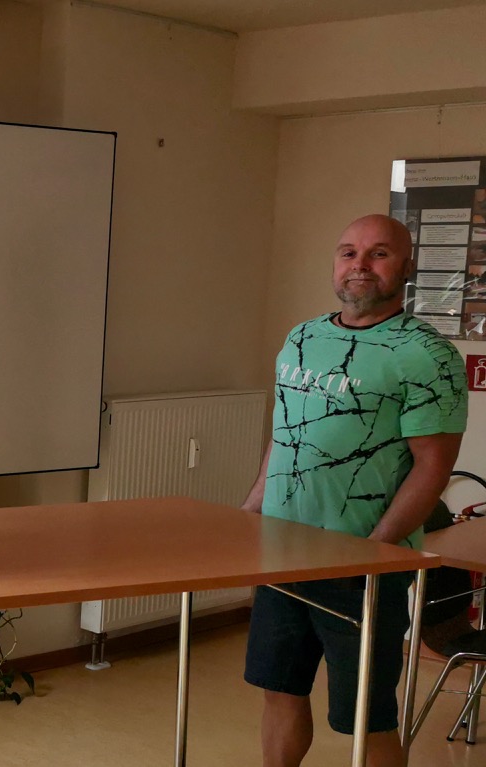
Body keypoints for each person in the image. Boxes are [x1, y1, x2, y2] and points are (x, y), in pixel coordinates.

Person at [240, 213, 467, 767]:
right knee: (280, 690)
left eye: (379, 253)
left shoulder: (428, 356)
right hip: (282, 553)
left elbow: (432, 468)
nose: (359, 265)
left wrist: (376, 551)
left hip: (364, 568)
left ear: (406, 266)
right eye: (348, 252)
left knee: (366, 715)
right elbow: (285, 434)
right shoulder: (302, 336)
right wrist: (251, 510)